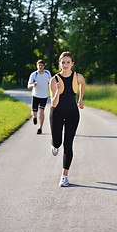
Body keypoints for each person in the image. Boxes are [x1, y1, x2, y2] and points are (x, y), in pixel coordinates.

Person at [49, 51, 85, 187]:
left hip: (72, 114)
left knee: (68, 144)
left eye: (68, 62)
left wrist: (81, 99)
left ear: (72, 64)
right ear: (59, 64)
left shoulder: (78, 77)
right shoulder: (54, 80)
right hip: (57, 112)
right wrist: (57, 91)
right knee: (57, 142)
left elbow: (83, 84)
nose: (65, 65)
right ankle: (54, 144)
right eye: (63, 62)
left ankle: (64, 176)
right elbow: (54, 103)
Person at [27, 59, 51, 134]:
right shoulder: (34, 74)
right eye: (39, 65)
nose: (40, 66)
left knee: (41, 111)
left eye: (42, 65)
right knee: (34, 111)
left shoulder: (47, 73)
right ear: (37, 66)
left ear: (44, 66)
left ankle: (40, 128)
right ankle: (34, 117)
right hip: (35, 95)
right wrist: (33, 85)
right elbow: (28, 85)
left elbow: (51, 82)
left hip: (44, 96)